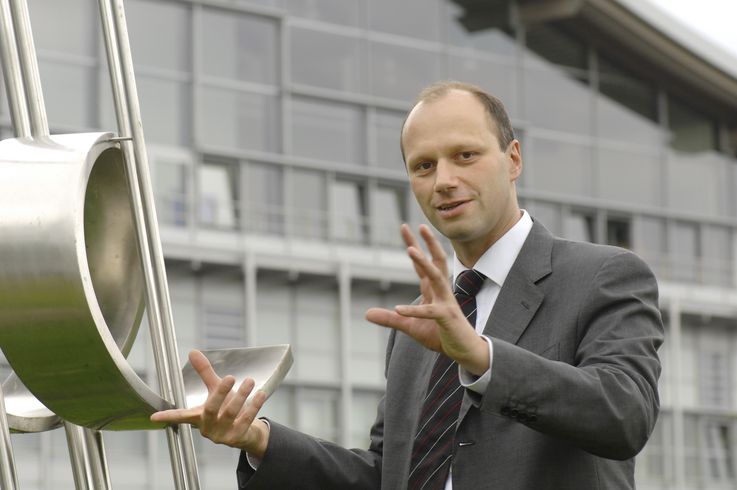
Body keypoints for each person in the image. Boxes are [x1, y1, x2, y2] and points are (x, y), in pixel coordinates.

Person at [151, 81, 664, 489]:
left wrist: (483, 357)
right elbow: (386, 475)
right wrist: (259, 439)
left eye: (465, 155)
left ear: (513, 159)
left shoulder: (604, 275)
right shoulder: (419, 326)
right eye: (423, 166)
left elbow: (625, 416)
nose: (443, 179)